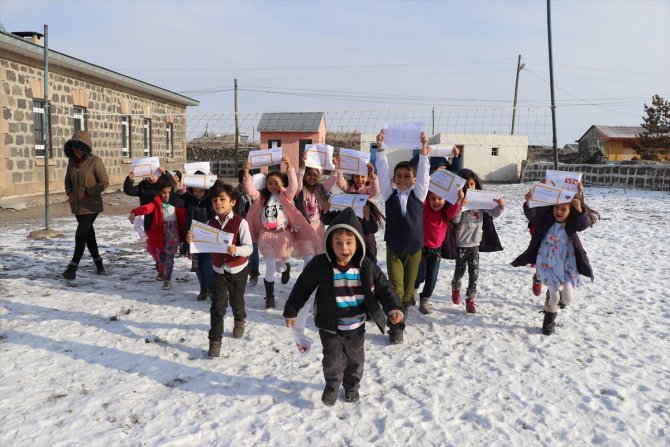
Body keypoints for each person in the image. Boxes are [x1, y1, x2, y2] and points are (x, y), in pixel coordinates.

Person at [283, 208, 404, 406]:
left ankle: (351, 386)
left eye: (349, 242)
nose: (343, 248)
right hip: (329, 325)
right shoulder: (320, 264)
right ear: (330, 242)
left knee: (355, 361)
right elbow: (302, 287)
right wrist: (291, 310)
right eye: (338, 242)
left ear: (358, 243)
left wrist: (394, 308)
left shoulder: (366, 266)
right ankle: (332, 385)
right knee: (332, 361)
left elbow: (384, 287)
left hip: (356, 326)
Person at [512, 183, 598, 335]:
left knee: (568, 298)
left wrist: (579, 208)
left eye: (564, 209)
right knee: (554, 296)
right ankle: (548, 322)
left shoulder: (571, 224)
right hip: (547, 263)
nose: (558, 211)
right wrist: (529, 202)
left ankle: (555, 307)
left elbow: (583, 223)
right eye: (556, 208)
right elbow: (532, 215)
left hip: (566, 265)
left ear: (569, 211)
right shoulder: (546, 221)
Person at [375, 129, 431, 344]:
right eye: (398, 176)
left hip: (415, 249)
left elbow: (425, 172)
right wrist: (381, 148)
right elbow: (382, 170)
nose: (403, 179)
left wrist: (424, 148)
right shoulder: (390, 194)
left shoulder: (419, 194)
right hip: (395, 248)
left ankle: (403, 309)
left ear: (414, 179)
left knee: (408, 292)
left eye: (407, 176)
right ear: (393, 179)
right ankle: (396, 327)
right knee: (396, 289)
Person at [187, 181, 253, 357]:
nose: (218, 203)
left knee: (236, 302)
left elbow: (250, 249)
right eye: (215, 200)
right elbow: (204, 245)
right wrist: (192, 240)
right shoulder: (209, 223)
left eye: (222, 199)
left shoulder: (241, 223)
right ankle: (215, 340)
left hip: (238, 269)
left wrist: (236, 250)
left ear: (232, 202)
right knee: (217, 307)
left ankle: (239, 319)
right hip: (218, 271)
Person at [242, 155, 315, 309]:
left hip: (283, 236)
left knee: (279, 265)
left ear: (282, 184)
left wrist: (290, 168)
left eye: (276, 183)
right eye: (270, 183)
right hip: (266, 236)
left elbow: (294, 186)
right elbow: (249, 190)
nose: (273, 186)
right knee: (269, 265)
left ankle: (285, 268)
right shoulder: (261, 197)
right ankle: (269, 297)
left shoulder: (286, 196)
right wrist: (247, 172)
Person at [447, 168, 504, 314]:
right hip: (461, 244)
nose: (469, 188)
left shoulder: (480, 201)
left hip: (475, 244)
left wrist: (500, 206)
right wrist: (459, 204)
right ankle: (455, 287)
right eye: (465, 186)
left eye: (471, 184)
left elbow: (493, 213)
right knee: (459, 272)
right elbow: (455, 219)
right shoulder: (457, 202)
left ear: (476, 185)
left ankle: (470, 299)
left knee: (474, 274)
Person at [62, 131, 109, 280]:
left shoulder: (96, 161)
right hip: (77, 205)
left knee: (80, 234)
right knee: (89, 235)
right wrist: (69, 191)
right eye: (75, 149)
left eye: (81, 149)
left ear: (86, 148)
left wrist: (91, 191)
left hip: (91, 205)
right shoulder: (71, 162)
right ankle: (99, 263)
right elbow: (67, 179)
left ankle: (72, 267)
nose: (78, 152)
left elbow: (104, 182)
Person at [128, 177, 185, 290]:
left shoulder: (178, 201)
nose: (166, 195)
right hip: (160, 232)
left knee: (170, 256)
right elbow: (146, 208)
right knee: (161, 256)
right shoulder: (156, 202)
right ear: (159, 192)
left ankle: (168, 279)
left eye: (169, 192)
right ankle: (161, 270)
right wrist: (135, 212)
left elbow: (188, 207)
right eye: (163, 192)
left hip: (173, 232)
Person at [413, 190, 464, 315]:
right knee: (419, 274)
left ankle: (425, 300)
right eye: (433, 198)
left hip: (436, 251)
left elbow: (454, 211)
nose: (436, 202)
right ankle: (412, 292)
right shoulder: (425, 209)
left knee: (432, 277)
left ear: (445, 200)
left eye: (440, 198)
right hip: (421, 249)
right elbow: (421, 196)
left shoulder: (445, 213)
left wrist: (459, 199)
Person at [170, 171, 215, 301]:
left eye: (201, 189)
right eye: (195, 189)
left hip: (210, 236)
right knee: (198, 266)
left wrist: (213, 180)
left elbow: (221, 192)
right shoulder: (188, 198)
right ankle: (203, 288)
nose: (198, 192)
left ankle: (211, 288)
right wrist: (174, 190)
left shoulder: (211, 198)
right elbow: (174, 202)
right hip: (193, 237)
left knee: (208, 265)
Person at [123, 168, 176, 276]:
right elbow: (130, 191)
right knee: (153, 246)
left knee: (165, 247)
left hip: (165, 220)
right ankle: (158, 261)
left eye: (153, 175)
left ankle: (163, 269)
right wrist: (129, 179)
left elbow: (172, 184)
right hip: (149, 219)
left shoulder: (163, 183)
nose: (151, 178)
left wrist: (165, 173)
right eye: (148, 176)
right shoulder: (143, 185)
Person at [295, 155, 338, 258]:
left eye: (315, 175)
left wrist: (336, 168)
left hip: (319, 226)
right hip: (305, 226)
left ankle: (319, 273)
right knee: (308, 256)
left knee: (320, 254)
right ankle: (308, 273)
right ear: (305, 175)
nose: (312, 177)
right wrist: (303, 166)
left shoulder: (321, 189)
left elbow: (331, 181)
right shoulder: (300, 190)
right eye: (309, 174)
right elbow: (298, 180)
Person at [233, 169, 261, 287]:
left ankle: (254, 273)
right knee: (240, 250)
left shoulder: (255, 193)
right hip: (239, 226)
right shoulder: (235, 193)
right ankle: (241, 271)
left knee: (253, 250)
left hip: (252, 226)